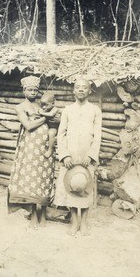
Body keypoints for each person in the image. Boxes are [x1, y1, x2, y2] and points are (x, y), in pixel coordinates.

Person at [53, 78, 102, 236]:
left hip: (87, 156)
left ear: (89, 91)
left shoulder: (95, 110)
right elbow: (61, 134)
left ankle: (84, 223)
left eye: (84, 87)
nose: (81, 90)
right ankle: (75, 221)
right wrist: (65, 155)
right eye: (78, 87)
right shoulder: (68, 110)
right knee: (72, 187)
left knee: (85, 187)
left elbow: (98, 135)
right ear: (73, 91)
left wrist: (91, 154)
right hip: (71, 156)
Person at [8, 76, 55, 229]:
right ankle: (34, 214)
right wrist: (46, 119)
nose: (33, 92)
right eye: (30, 89)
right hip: (30, 147)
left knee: (45, 178)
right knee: (31, 179)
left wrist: (46, 117)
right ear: (24, 90)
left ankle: (43, 213)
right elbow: (28, 125)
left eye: (35, 90)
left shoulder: (41, 105)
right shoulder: (20, 107)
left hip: (45, 146)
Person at [38, 92, 60, 158]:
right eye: (42, 104)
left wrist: (41, 112)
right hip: (49, 126)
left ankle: (50, 150)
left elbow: (51, 115)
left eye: (46, 104)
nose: (44, 107)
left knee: (51, 133)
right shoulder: (46, 109)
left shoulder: (55, 109)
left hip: (55, 127)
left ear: (53, 103)